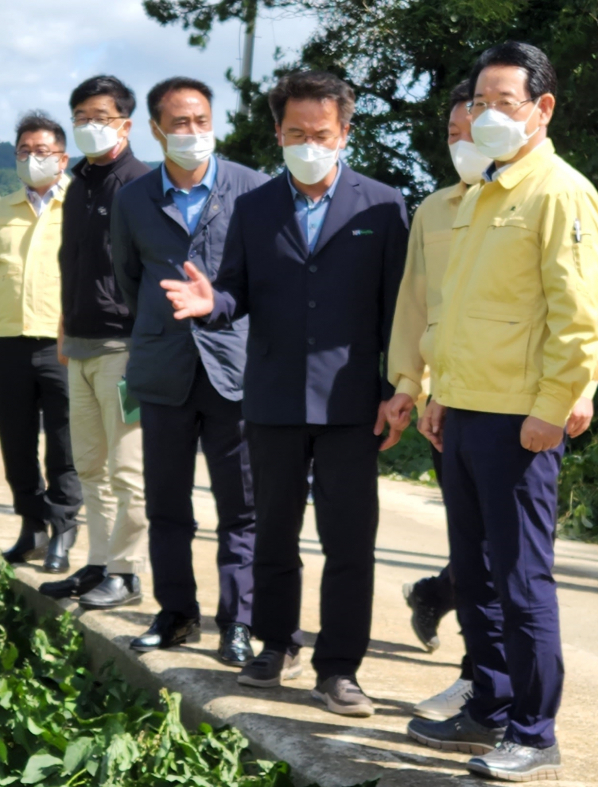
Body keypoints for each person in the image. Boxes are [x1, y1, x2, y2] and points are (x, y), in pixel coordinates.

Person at [158, 70, 409, 717]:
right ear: (277, 132)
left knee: (350, 541)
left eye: (320, 133)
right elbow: (236, 288)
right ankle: (275, 644)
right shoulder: (256, 206)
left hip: (353, 405)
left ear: (345, 132)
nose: (307, 143)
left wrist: (399, 388)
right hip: (269, 398)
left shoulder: (383, 206)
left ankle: (340, 668)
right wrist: (213, 302)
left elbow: (398, 312)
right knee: (272, 532)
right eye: (294, 132)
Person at [388, 42, 598, 782]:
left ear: (543, 109)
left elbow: (578, 323)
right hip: (465, 411)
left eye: (503, 103)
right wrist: (436, 389)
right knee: (476, 577)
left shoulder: (560, 193)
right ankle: (488, 703)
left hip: (521, 421)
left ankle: (534, 730)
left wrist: (551, 410)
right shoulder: (486, 190)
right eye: (479, 103)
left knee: (520, 581)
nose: (487, 117)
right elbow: (459, 312)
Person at [110, 77, 268, 657]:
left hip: (234, 369)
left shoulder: (253, 189)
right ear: (156, 130)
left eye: (201, 120)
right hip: (164, 368)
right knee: (167, 504)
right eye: (179, 123)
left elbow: (261, 282)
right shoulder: (133, 198)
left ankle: (238, 624)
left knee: (241, 507)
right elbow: (130, 278)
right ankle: (175, 613)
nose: (193, 132)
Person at [38, 76, 152, 609]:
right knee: (89, 465)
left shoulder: (142, 185)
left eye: (100, 116)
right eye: (80, 116)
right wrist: (65, 323)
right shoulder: (79, 182)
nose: (89, 125)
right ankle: (100, 563)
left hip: (123, 347)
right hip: (80, 343)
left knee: (128, 468)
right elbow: (72, 262)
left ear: (125, 124)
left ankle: (128, 574)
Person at [0, 112, 82, 573]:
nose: (32, 158)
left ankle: (64, 529)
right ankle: (31, 527)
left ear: (63, 158)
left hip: (64, 345)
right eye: (24, 151)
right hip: (9, 343)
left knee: (66, 444)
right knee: (15, 440)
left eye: (42, 151)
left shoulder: (83, 207)